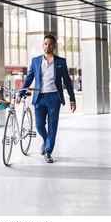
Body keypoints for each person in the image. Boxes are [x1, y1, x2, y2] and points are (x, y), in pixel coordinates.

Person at [16, 34, 76, 163]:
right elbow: (29, 79)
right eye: (45, 43)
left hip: (54, 97)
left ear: (54, 46)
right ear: (42, 45)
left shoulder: (60, 62)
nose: (47, 46)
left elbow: (67, 81)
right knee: (39, 125)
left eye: (49, 44)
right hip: (39, 97)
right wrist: (20, 94)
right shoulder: (35, 61)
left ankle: (48, 151)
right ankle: (46, 140)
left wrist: (72, 99)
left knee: (53, 126)